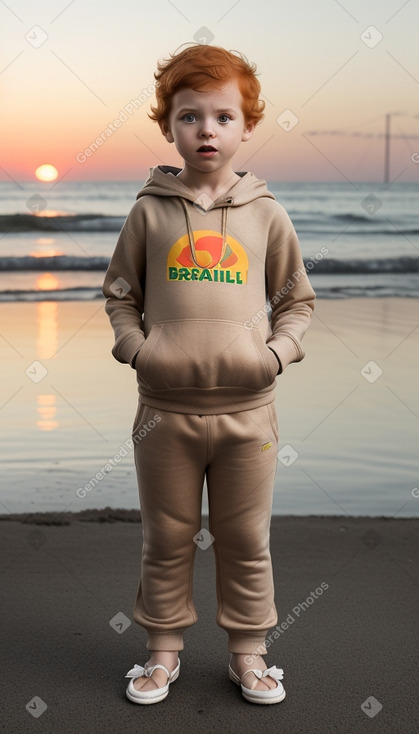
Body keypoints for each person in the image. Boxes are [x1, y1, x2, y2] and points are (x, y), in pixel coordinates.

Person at [102, 43, 316, 706]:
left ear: (246, 127)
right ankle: (161, 654)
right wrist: (137, 349)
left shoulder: (265, 213)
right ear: (168, 125)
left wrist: (274, 356)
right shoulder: (149, 211)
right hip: (162, 410)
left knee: (245, 538)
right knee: (165, 536)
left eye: (222, 117)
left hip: (248, 410)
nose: (205, 129)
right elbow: (118, 292)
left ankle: (249, 655)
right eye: (189, 116)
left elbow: (297, 301)